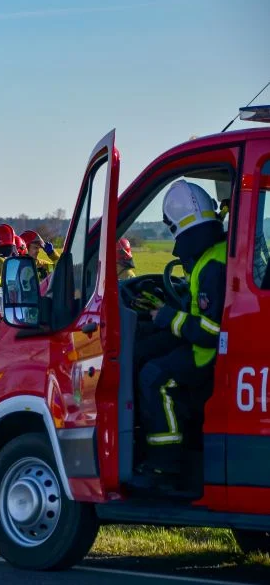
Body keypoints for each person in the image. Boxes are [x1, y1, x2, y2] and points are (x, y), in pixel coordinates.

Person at [133, 180, 226, 493]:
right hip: (210, 347)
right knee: (147, 351)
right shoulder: (214, 253)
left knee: (152, 377)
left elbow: (210, 332)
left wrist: (166, 317)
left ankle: (165, 463)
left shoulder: (212, 265)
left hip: (209, 355)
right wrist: (165, 311)